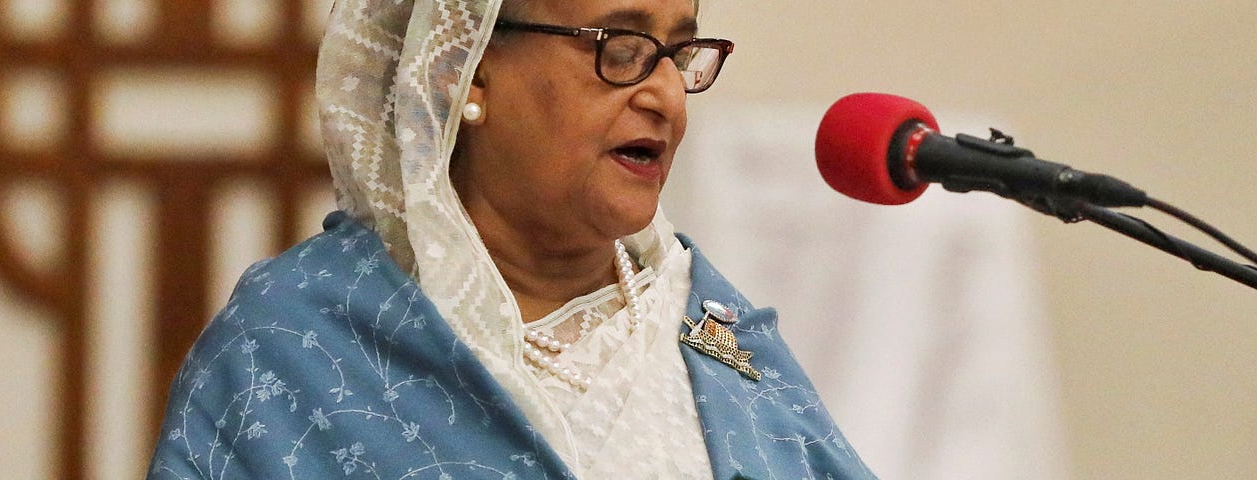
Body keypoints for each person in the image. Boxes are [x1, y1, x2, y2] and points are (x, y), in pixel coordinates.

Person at [146, 0, 876, 478]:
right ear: (470, 71)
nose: (665, 96)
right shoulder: (298, 343)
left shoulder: (714, 334)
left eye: (681, 53)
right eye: (620, 48)